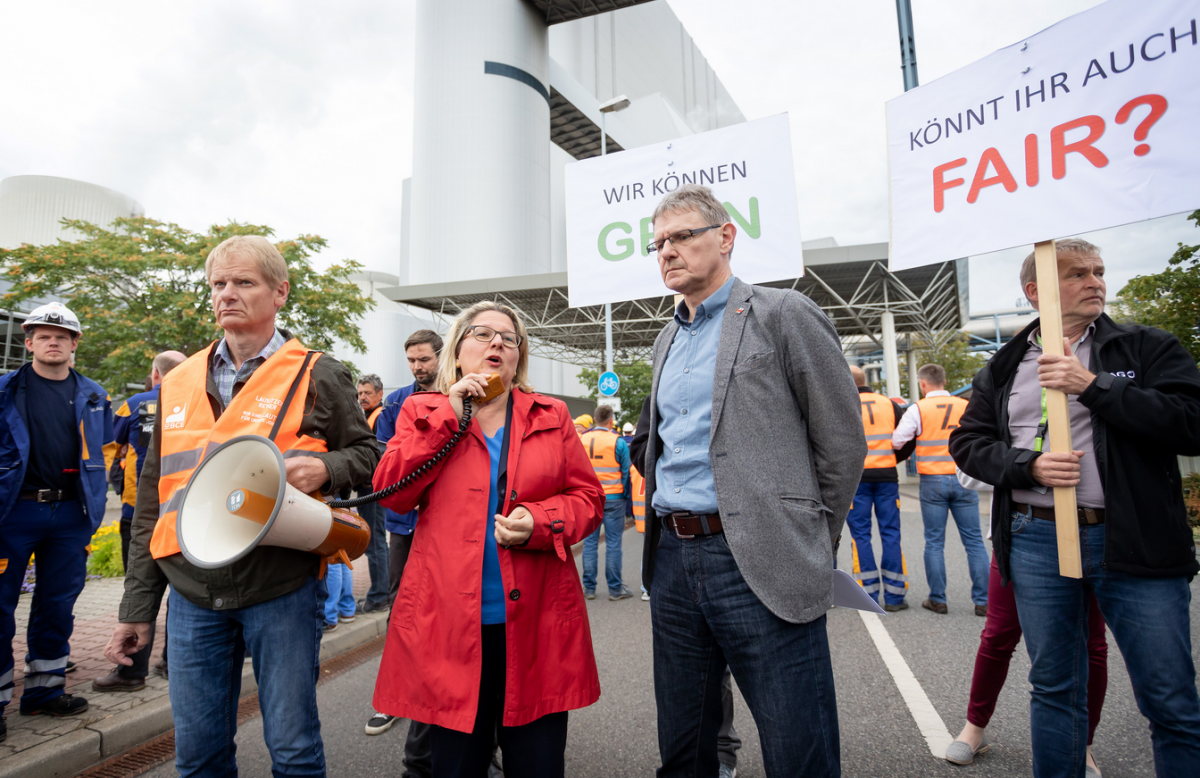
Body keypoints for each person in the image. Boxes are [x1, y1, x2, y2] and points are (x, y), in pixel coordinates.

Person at [104, 235, 379, 777]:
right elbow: (155, 500)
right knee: (199, 756)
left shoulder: (318, 372)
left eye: (243, 282)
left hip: (279, 584)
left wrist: (328, 469)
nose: (227, 294)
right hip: (190, 590)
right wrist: (137, 608)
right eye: (218, 284)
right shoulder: (179, 381)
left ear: (280, 293)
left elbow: (370, 452)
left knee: (293, 749)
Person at [951, 238, 1200, 777]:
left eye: (1099, 272)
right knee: (1054, 689)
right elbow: (968, 443)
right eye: (1078, 274)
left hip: (1134, 541)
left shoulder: (1145, 347)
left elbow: (1191, 423)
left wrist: (1094, 387)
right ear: (1036, 290)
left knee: (1168, 697)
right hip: (1036, 540)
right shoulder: (1005, 362)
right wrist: (1029, 467)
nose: (1095, 282)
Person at [640, 184, 864, 777]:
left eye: (681, 236)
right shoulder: (666, 338)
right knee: (685, 746)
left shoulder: (782, 313)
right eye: (658, 242)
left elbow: (841, 443)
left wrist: (810, 538)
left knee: (798, 746)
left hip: (760, 557)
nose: (667, 251)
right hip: (673, 560)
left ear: (726, 237)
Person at [372, 300, 604, 778]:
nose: (498, 342)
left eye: (510, 337)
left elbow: (588, 499)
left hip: (536, 622)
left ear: (519, 357)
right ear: (457, 351)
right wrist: (449, 414)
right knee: (456, 766)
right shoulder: (422, 410)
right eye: (482, 333)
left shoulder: (552, 414)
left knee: (537, 765)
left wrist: (541, 522)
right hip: (450, 629)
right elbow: (390, 493)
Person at [0, 302, 114, 740]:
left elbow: (101, 457)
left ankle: (45, 692)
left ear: (74, 345)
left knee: (57, 605)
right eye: (44, 335)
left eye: (62, 336)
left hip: (70, 514)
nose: (53, 341)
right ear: (28, 342)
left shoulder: (94, 396)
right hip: (14, 511)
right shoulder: (6, 390)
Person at [364, 329, 443, 764]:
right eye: (412, 360)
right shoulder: (394, 403)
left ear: (441, 356)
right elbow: (388, 462)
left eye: (424, 359)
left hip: (446, 527)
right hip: (404, 525)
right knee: (402, 610)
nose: (418, 367)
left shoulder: (460, 393)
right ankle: (396, 699)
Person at [92, 350, 186, 692]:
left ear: (155, 374)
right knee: (184, 591)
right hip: (185, 514)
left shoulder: (132, 404)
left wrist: (118, 483)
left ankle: (132, 671)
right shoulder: (200, 403)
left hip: (138, 511)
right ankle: (175, 664)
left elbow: (109, 448)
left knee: (140, 587)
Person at [892, 363, 989, 615]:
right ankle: (983, 601)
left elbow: (897, 440)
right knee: (974, 542)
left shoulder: (918, 408)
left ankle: (938, 599)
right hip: (963, 478)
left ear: (923, 383)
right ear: (944, 381)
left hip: (932, 481)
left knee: (934, 541)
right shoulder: (964, 406)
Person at [846, 366, 915, 612]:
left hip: (856, 480)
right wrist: (890, 460)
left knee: (861, 536)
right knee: (891, 534)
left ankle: (868, 595)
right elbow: (907, 439)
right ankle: (895, 598)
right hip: (887, 478)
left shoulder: (844, 404)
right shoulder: (888, 404)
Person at [580, 404, 634, 601]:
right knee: (613, 543)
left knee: (590, 543)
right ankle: (615, 589)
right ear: (611, 421)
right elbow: (626, 472)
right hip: (614, 499)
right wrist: (625, 495)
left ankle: (589, 589)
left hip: (589, 499)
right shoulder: (617, 441)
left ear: (594, 419)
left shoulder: (583, 439)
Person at [355, 373, 390, 615]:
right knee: (375, 542)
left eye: (368, 393)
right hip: (368, 489)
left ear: (380, 394)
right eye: (360, 394)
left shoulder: (381, 418)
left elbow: (377, 457)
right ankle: (380, 594)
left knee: (375, 543)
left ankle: (379, 597)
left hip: (374, 490)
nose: (363, 397)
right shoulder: (366, 417)